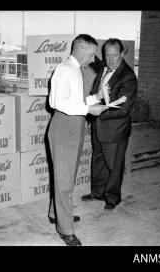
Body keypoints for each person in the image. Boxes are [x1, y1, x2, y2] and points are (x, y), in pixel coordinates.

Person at [48, 34, 108, 246]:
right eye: (91, 54)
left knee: (66, 177)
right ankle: (65, 229)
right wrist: (88, 109)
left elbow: (77, 101)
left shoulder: (76, 70)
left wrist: (97, 98)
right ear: (81, 50)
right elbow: (57, 102)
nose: (93, 59)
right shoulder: (64, 69)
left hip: (75, 126)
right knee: (64, 181)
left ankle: (56, 214)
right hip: (64, 127)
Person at [81, 38, 138, 211]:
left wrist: (98, 113)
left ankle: (113, 198)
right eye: (107, 55)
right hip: (99, 126)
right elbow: (95, 62)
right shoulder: (104, 67)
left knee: (114, 165)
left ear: (122, 54)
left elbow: (124, 109)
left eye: (115, 55)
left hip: (114, 129)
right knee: (98, 160)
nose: (111, 60)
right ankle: (97, 192)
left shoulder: (128, 77)